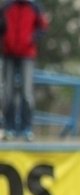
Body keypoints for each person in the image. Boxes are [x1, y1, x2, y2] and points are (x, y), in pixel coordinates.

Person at [1, 0, 48, 141]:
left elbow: (43, 27)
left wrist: (32, 38)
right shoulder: (7, 6)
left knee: (26, 92)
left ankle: (26, 128)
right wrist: (4, 40)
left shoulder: (34, 7)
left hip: (27, 55)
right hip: (8, 54)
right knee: (7, 92)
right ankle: (9, 127)